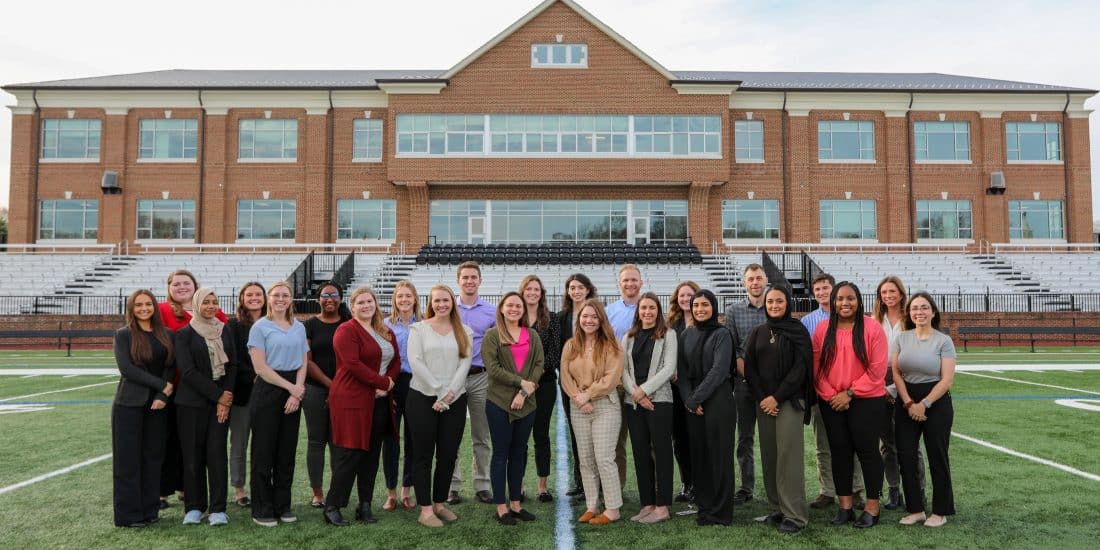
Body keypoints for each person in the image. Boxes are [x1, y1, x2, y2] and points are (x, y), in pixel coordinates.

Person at [812, 281, 888, 529]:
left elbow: (877, 370)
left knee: (867, 453)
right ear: (833, 302)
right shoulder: (823, 330)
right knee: (840, 453)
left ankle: (872, 507)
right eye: (840, 299)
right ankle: (845, 507)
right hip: (831, 402)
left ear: (858, 300)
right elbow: (817, 370)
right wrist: (832, 394)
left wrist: (850, 393)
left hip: (866, 401)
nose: (845, 303)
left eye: (850, 298)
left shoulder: (872, 328)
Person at [323, 286, 400, 526]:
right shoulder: (346, 330)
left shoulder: (384, 330)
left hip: (379, 401)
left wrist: (389, 383)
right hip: (352, 399)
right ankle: (332, 506)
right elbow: (353, 364)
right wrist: (382, 382)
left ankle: (364, 505)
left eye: (370, 301)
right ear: (352, 306)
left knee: (371, 454)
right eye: (360, 302)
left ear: (376, 303)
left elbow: (396, 360)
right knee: (351, 453)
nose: (366, 306)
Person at [157, 270, 228, 510]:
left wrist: (221, 393)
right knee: (170, 442)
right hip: (174, 386)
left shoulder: (214, 312)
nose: (182, 287)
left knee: (197, 446)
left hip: (207, 390)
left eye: (186, 283)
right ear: (168, 287)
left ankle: (186, 489)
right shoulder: (163, 311)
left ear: (195, 286)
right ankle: (162, 490)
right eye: (176, 284)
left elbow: (226, 348)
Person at [744, 286, 811, 534]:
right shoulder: (758, 332)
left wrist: (777, 397)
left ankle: (795, 515)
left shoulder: (798, 330)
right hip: (765, 404)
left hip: (790, 402)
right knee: (771, 457)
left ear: (787, 303)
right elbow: (750, 368)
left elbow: (800, 369)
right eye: (770, 301)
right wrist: (764, 398)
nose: (774, 305)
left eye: (779, 301)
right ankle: (779, 508)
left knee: (789, 458)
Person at [407, 285, 473, 528]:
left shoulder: (464, 330)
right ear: (430, 303)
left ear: (452, 302)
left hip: (454, 400)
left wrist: (450, 394)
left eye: (446, 300)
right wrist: (439, 390)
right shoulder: (419, 329)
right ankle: (425, 510)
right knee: (423, 455)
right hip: (423, 397)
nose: (441, 304)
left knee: (447, 455)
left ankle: (439, 504)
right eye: (437, 301)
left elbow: (464, 364)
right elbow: (416, 361)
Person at [892, 292, 957, 528]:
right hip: (906, 401)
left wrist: (924, 404)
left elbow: (947, 380)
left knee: (937, 456)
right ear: (909, 313)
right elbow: (896, 373)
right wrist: (909, 402)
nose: (919, 312)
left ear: (933, 311)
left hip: (936, 402)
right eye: (915, 308)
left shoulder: (943, 341)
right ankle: (916, 509)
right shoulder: (901, 338)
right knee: (906, 456)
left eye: (924, 307)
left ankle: (940, 511)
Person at [173, 287, 237, 526]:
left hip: (220, 402)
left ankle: (218, 508)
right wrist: (219, 396)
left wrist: (226, 397)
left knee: (217, 454)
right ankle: (194, 507)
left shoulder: (225, 330)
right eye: (206, 302)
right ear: (197, 304)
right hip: (191, 403)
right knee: (192, 456)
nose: (211, 306)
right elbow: (188, 372)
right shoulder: (184, 334)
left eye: (214, 302)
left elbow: (233, 366)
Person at [247, 281, 309, 527]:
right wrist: (290, 388)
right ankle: (262, 508)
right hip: (269, 389)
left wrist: (297, 392)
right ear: (269, 299)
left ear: (291, 299)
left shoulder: (299, 327)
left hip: (294, 390)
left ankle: (283, 505)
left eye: (285, 295)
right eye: (276, 295)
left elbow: (303, 361)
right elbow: (260, 367)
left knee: (286, 452)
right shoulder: (260, 327)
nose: (281, 299)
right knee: (263, 452)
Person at [112, 289, 175, 528]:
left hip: (158, 405)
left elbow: (170, 365)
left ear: (154, 307)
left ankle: (150, 510)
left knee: (152, 458)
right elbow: (127, 369)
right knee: (128, 461)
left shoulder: (166, 334)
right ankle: (129, 515)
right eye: (138, 305)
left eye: (148, 304)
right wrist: (162, 386)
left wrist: (162, 395)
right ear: (131, 309)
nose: (144, 308)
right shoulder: (123, 335)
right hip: (129, 404)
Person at [801, 273, 865, 510]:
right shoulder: (808, 322)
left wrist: (848, 392)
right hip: (822, 392)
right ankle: (827, 490)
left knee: (854, 444)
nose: (821, 292)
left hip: (852, 393)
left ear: (834, 289)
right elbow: (811, 360)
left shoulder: (855, 319)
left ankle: (856, 490)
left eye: (825, 288)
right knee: (823, 444)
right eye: (816, 289)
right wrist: (826, 392)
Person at [561, 299, 624, 525]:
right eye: (585, 316)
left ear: (601, 320)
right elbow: (565, 376)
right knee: (586, 459)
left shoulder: (612, 345)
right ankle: (591, 505)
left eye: (594, 317)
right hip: (578, 406)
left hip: (605, 405)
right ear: (579, 319)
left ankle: (613, 508)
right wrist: (579, 399)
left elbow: (611, 378)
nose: (589, 320)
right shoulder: (571, 345)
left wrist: (588, 396)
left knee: (604, 458)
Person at [484, 292, 545, 525]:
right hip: (499, 402)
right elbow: (494, 368)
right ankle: (501, 507)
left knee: (519, 453)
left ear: (523, 309)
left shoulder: (532, 335)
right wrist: (520, 384)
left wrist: (524, 393)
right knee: (501, 454)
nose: (514, 309)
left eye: (518, 305)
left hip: (527, 404)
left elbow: (539, 365)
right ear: (501, 308)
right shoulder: (493, 336)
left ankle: (516, 505)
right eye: (509, 305)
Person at [678, 290, 735, 526]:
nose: (700, 309)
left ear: (713, 307)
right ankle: (704, 506)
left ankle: (720, 512)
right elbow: (681, 373)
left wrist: (695, 398)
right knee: (699, 457)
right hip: (693, 406)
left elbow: (719, 371)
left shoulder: (723, 334)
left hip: (718, 402)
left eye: (705, 304)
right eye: (696, 305)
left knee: (719, 457)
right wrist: (689, 400)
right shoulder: (685, 335)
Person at [621, 292, 677, 524]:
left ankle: (662, 506)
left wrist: (644, 391)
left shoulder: (669, 334)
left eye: (652, 308)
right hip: (633, 402)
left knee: (662, 453)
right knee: (640, 452)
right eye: (643, 308)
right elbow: (621, 369)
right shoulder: (629, 337)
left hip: (659, 401)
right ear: (638, 311)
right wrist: (635, 393)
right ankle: (647, 504)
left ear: (658, 310)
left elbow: (669, 367)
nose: (647, 312)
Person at [874, 275, 926, 510]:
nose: (888, 296)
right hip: (878, 381)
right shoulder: (874, 320)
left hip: (906, 380)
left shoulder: (910, 319)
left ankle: (919, 491)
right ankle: (894, 491)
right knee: (886, 444)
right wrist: (880, 386)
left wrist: (895, 388)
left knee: (911, 443)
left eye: (892, 292)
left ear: (901, 294)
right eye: (884, 292)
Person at [450, 261, 495, 505]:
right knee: (451, 434)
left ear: (480, 281)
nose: (469, 281)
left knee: (481, 434)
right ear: (458, 280)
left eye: (473, 277)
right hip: (453, 378)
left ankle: (482, 484)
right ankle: (452, 484)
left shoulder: (490, 311)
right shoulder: (448, 309)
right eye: (465, 277)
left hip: (480, 377)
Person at [303, 282, 352, 509]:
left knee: (338, 443)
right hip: (315, 389)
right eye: (325, 295)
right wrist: (330, 386)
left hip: (345, 391)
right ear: (318, 299)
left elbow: (353, 361)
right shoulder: (310, 325)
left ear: (341, 298)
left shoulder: (349, 325)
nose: (329, 298)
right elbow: (308, 361)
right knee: (316, 441)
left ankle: (336, 491)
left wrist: (338, 388)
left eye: (334, 294)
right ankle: (317, 493)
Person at [724, 263, 768, 505]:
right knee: (745, 437)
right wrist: (752, 379)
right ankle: (746, 487)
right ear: (744, 283)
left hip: (773, 386)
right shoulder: (733, 311)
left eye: (759, 278)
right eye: (750, 278)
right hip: (743, 384)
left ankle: (776, 486)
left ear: (766, 280)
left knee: (773, 438)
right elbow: (732, 350)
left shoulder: (774, 308)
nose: (755, 282)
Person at [519, 275, 561, 502]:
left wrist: (534, 379)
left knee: (541, 435)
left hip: (543, 385)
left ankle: (543, 485)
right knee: (521, 436)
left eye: (537, 289)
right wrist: (523, 381)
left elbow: (555, 353)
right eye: (529, 289)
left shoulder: (551, 319)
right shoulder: (515, 318)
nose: (533, 293)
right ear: (523, 292)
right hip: (518, 386)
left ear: (541, 293)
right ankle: (520, 484)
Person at [382, 280, 422, 511]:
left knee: (413, 440)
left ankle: (407, 490)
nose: (404, 300)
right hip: (392, 384)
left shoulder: (424, 324)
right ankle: (391, 492)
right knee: (391, 439)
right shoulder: (385, 325)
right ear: (394, 300)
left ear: (415, 298)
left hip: (417, 384)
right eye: (400, 296)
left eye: (408, 296)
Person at [227, 282, 266, 508]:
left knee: (264, 444)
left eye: (258, 294)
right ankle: (239, 489)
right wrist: (255, 374)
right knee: (239, 443)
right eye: (249, 294)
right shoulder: (232, 326)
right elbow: (232, 359)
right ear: (242, 298)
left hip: (270, 391)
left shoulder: (273, 323)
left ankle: (262, 486)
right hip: (244, 392)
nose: (254, 298)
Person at [604, 264, 642, 486]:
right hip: (617, 382)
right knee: (616, 439)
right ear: (619, 283)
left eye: (634, 280)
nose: (630, 284)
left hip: (643, 382)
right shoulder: (610, 312)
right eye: (626, 280)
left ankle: (651, 488)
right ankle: (616, 487)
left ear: (641, 283)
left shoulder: (648, 308)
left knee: (644, 439)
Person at [559, 273, 597, 498]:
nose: (576, 291)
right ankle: (581, 481)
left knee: (596, 435)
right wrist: (572, 385)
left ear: (588, 289)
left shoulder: (597, 314)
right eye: (572, 287)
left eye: (580, 287)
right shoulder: (562, 317)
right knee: (577, 433)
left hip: (593, 384)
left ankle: (597, 483)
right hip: (570, 384)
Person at [667, 280, 699, 505]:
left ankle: (701, 483)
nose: (686, 299)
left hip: (698, 388)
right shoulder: (671, 323)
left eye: (690, 295)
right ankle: (687, 483)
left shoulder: (704, 321)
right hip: (675, 390)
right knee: (679, 439)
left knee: (697, 438)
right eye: (682, 295)